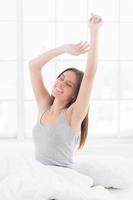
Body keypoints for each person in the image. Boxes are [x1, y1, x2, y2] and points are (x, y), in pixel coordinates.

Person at [29, 14, 103, 168]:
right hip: (38, 176)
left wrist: (94, 32)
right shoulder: (44, 106)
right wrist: (63, 49)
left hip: (62, 179)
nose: (60, 84)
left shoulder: (73, 115)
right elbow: (34, 66)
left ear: (75, 94)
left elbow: (89, 75)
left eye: (69, 84)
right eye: (61, 78)